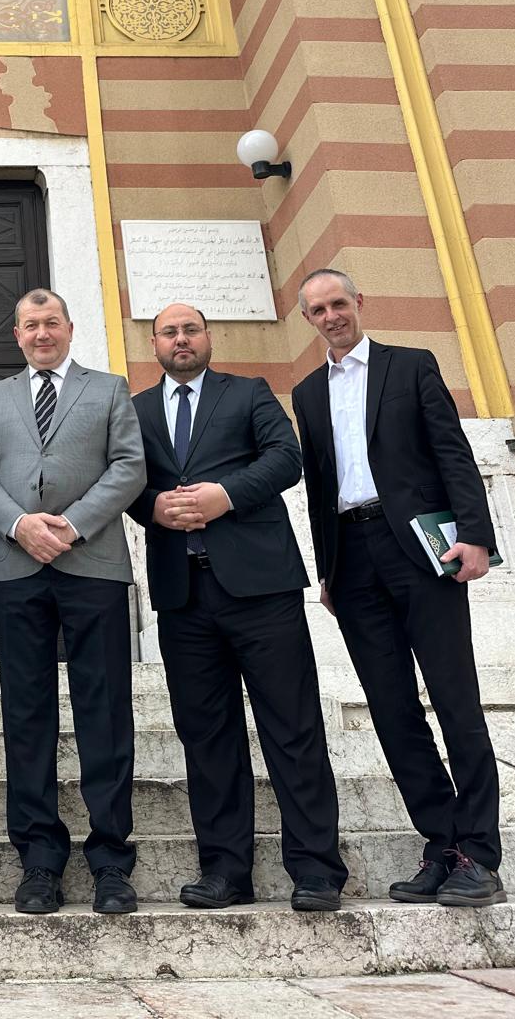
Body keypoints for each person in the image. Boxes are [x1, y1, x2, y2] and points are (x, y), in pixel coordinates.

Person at [293, 267, 504, 907]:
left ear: (359, 302)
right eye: (318, 310)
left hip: (420, 548)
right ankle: (442, 844)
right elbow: (320, 487)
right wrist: (327, 572)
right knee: (391, 709)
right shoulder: (306, 393)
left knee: (456, 699)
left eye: (339, 303)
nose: (331, 316)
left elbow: (452, 452)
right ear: (308, 320)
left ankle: (480, 855)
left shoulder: (410, 365)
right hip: (353, 560)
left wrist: (476, 535)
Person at [130, 302, 346, 913]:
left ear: (208, 338)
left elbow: (286, 458)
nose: (180, 339)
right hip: (183, 595)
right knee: (206, 736)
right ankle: (225, 870)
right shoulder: (136, 410)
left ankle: (316, 869)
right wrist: (151, 507)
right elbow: (125, 479)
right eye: (168, 332)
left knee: (293, 726)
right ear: (154, 344)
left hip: (261, 589)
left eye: (190, 329)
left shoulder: (248, 392)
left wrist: (225, 495)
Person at [0, 288, 145, 915]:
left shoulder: (109, 389)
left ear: (70, 327)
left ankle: (111, 860)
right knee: (27, 713)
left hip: (92, 563)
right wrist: (20, 525)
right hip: (17, 567)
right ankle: (39, 859)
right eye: (30, 325)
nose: (41, 334)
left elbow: (129, 466)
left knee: (105, 710)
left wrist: (71, 525)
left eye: (51, 323)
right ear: (16, 334)